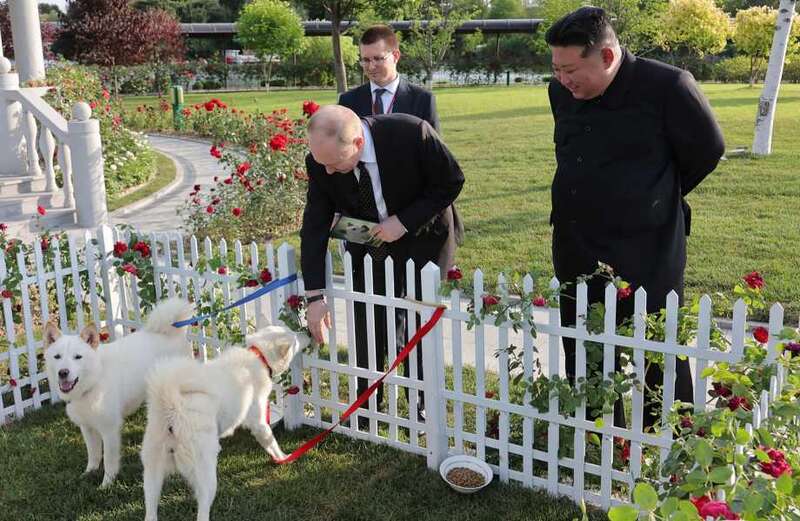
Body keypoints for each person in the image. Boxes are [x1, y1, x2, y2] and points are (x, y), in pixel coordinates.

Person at [545, 7, 725, 428]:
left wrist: (654, 197)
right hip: (575, 242)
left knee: (657, 350)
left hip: (647, 248)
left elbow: (707, 150)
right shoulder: (561, 93)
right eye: (556, 69)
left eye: (571, 69)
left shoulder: (669, 87)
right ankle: (598, 438)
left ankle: (668, 442)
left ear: (607, 57)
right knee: (584, 347)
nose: (563, 80)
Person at [300, 105, 464, 430]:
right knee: (368, 319)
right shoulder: (321, 163)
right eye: (322, 164)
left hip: (424, 234)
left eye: (334, 164)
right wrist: (315, 297)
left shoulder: (412, 133)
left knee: (419, 321)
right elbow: (315, 226)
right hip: (368, 240)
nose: (328, 172)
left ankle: (420, 405)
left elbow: (450, 181)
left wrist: (402, 223)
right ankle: (368, 404)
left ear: (357, 144)